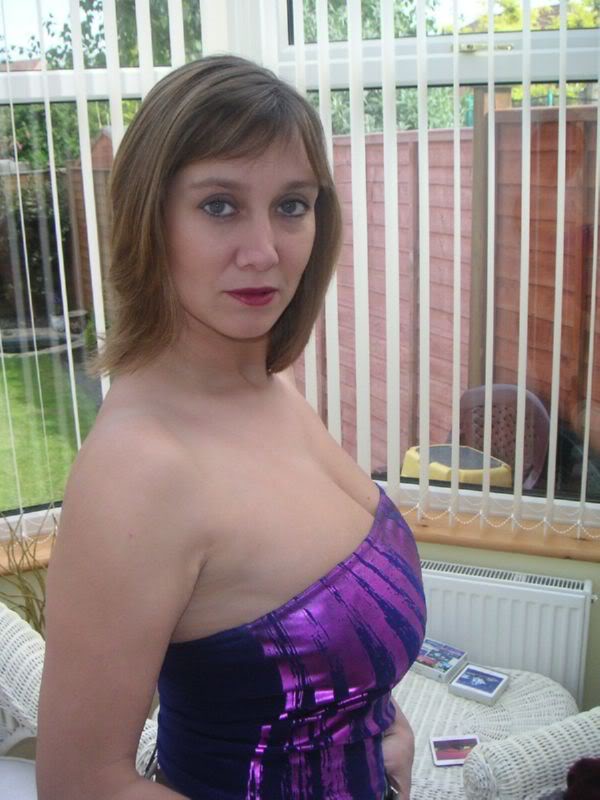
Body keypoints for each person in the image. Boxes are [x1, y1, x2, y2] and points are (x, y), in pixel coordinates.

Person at [36, 55, 426, 800]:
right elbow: (80, 784)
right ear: (151, 219)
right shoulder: (141, 470)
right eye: (219, 206)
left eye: (292, 205)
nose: (265, 251)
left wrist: (383, 720)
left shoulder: (271, 388)